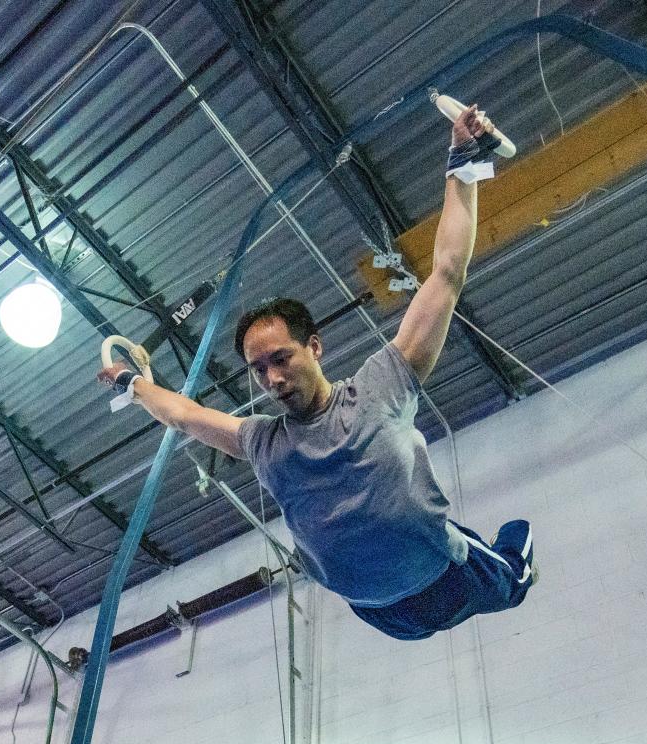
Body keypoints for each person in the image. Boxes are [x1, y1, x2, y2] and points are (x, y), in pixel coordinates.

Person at [98, 103, 536, 640]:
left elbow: (446, 272)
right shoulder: (263, 442)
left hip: (448, 576)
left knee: (512, 582)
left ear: (315, 346)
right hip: (376, 610)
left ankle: (517, 544)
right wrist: (132, 383)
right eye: (259, 370)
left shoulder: (381, 386)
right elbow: (185, 416)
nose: (273, 379)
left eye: (281, 359)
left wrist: (461, 162)